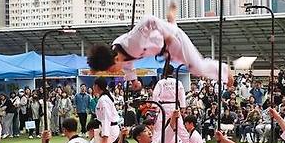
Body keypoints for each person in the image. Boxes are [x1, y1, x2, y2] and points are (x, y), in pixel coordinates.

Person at [86, 15, 233, 88]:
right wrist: (134, 80)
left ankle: (224, 71)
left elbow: (149, 19)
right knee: (194, 69)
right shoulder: (118, 56)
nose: (113, 73)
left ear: (115, 59)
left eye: (111, 70)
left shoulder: (131, 42)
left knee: (197, 68)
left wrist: (166, 33)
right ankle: (172, 20)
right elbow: (128, 66)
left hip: (173, 39)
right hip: (166, 50)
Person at [92, 77, 121, 143]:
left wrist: (105, 137)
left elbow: (106, 118)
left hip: (110, 129)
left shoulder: (104, 99)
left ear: (97, 86)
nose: (93, 87)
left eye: (94, 85)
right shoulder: (104, 97)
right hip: (107, 128)